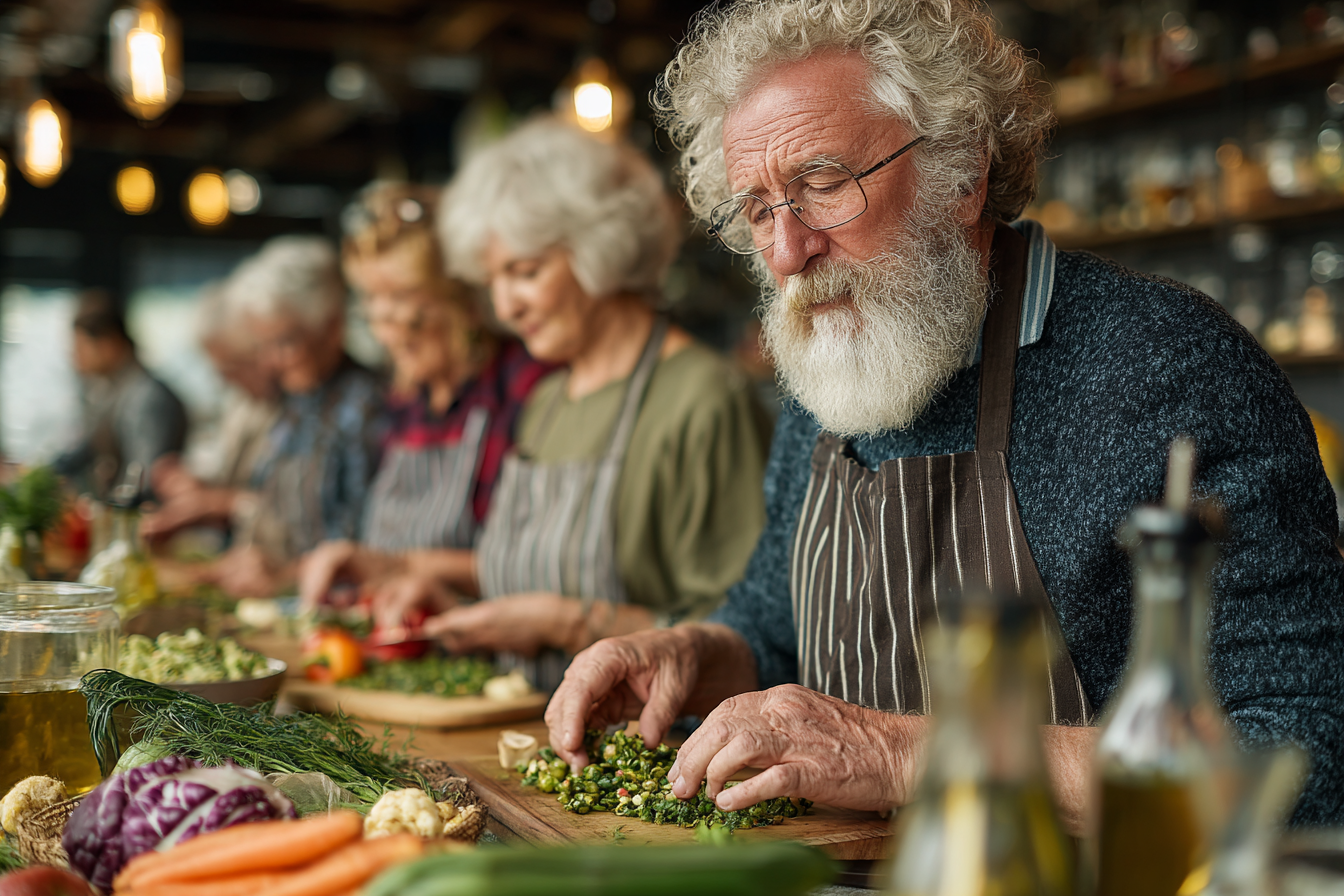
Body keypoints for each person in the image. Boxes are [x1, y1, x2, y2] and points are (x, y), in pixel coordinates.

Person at [546, 0, 1344, 831]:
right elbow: (776, 625)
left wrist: (901, 753)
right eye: (757, 210)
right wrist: (693, 654)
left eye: (822, 186)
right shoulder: (831, 357)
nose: (787, 255)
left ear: (962, 174)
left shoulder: (1166, 369)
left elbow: (1303, 752)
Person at [368, 117, 771, 690]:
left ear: (597, 249)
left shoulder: (703, 398)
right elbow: (536, 572)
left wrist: (564, 624)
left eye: (525, 272)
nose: (505, 307)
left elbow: (748, 642)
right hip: (515, 733)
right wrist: (455, 597)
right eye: (492, 281)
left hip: (645, 758)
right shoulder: (549, 399)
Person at [297, 183, 550, 612]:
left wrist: (398, 565)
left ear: (462, 297)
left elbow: (533, 564)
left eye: (403, 298)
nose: (385, 327)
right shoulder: (405, 404)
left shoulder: (523, 389)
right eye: (371, 300)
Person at [212, 236, 383, 597]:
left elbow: (368, 548)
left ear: (333, 327)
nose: (271, 360)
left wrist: (285, 576)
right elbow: (269, 503)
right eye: (263, 344)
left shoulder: (366, 408)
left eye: (286, 342)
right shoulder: (295, 403)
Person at [140, 284, 281, 542]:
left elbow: (291, 512)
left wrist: (212, 503)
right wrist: (197, 487)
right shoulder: (244, 403)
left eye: (231, 368)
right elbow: (236, 486)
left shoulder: (297, 408)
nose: (225, 381)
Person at [52, 290, 187, 500]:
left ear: (108, 344)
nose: (74, 357)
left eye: (80, 347)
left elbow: (143, 479)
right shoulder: (117, 390)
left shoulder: (146, 397)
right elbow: (84, 450)